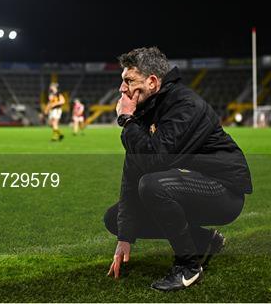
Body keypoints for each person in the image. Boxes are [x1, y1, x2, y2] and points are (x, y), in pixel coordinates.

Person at [104, 47, 252, 292]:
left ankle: (188, 267)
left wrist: (127, 120)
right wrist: (125, 238)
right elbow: (132, 171)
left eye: (129, 81)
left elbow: (156, 161)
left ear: (152, 81)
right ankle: (204, 241)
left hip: (223, 190)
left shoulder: (185, 104)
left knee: (152, 185)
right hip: (185, 185)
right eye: (122, 81)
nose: (122, 89)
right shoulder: (148, 110)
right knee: (115, 219)